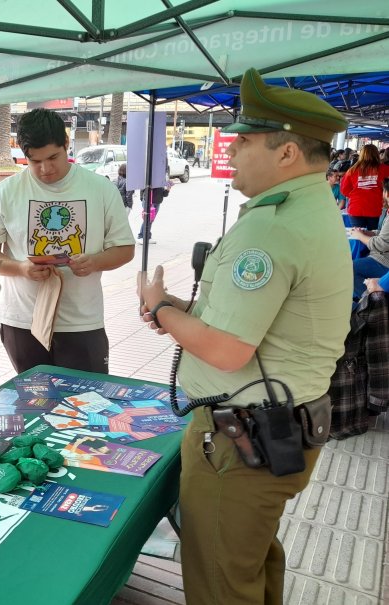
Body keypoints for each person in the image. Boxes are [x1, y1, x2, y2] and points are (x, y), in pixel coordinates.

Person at [138, 68, 352, 604]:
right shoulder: (308, 207)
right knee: (250, 562)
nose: (231, 152)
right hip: (274, 430)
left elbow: (228, 349)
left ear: (286, 154)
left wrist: (160, 307)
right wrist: (181, 310)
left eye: (246, 141)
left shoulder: (272, 226)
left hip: (242, 442)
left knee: (221, 582)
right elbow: (242, 318)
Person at [0, 108, 135, 374]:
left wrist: (95, 261)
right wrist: (21, 268)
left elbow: (125, 248)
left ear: (66, 144)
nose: (46, 169)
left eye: (53, 157)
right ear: (24, 155)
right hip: (23, 321)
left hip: (82, 323)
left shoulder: (100, 189)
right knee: (33, 407)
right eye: (35, 161)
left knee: (87, 406)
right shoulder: (5, 192)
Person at [351, 178, 389, 299]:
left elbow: (382, 244)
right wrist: (368, 232)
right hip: (381, 257)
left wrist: (360, 236)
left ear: (386, 193)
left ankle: (369, 303)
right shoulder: (387, 212)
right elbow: (383, 234)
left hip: (384, 261)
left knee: (350, 269)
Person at [341, 144, 389, 230]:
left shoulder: (352, 170)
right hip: (375, 207)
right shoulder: (385, 169)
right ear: (376, 154)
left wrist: (355, 195)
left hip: (356, 207)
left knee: (358, 237)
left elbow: (344, 189)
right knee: (372, 236)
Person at [136, 175, 171, 244]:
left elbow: (164, 194)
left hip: (157, 202)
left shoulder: (161, 180)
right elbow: (143, 189)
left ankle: (148, 236)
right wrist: (142, 199)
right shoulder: (151, 178)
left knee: (151, 220)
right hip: (149, 202)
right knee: (147, 219)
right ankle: (141, 236)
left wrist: (168, 189)